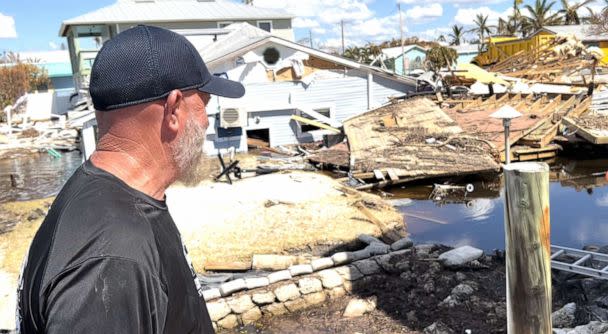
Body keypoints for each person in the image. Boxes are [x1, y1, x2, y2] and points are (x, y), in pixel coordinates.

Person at [16, 25, 244, 334]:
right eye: (204, 102)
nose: (206, 121)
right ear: (174, 110)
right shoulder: (112, 260)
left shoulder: (117, 204)